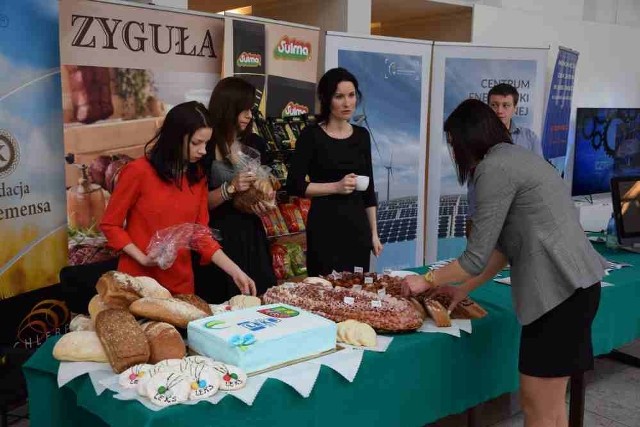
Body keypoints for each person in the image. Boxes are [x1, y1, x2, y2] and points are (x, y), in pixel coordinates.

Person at [402, 99, 606, 427]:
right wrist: (459, 291)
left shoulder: (492, 168)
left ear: (468, 138)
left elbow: (475, 257)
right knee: (552, 405)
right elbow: (501, 250)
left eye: (453, 143)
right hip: (579, 289)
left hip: (558, 296)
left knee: (536, 403)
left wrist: (426, 280)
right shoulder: (519, 158)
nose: (454, 152)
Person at [101, 101, 256, 297]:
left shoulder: (197, 176)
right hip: (137, 284)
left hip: (180, 286)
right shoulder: (138, 171)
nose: (203, 151)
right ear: (175, 138)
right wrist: (142, 258)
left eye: (206, 143)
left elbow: (201, 236)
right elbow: (110, 224)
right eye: (196, 143)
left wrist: (236, 271)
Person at [287, 67, 383, 275]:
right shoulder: (311, 135)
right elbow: (294, 185)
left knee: (355, 293)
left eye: (351, 95)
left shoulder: (362, 136)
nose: (347, 103)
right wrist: (336, 187)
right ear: (326, 99)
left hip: (357, 228)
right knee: (323, 292)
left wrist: (374, 234)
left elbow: (369, 190)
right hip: (324, 227)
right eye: (339, 96)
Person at [199, 77, 277, 303]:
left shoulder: (255, 143)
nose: (249, 116)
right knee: (223, 306)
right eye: (243, 110)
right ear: (227, 108)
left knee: (260, 300)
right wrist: (229, 188)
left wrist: (265, 201)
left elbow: (269, 185)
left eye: (250, 110)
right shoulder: (206, 145)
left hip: (252, 235)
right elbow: (196, 203)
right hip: (216, 239)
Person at [466, 83, 543, 235]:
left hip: (520, 220)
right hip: (485, 220)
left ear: (515, 108)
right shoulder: (475, 140)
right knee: (484, 259)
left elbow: (538, 180)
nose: (499, 110)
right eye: (494, 105)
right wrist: (472, 219)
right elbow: (474, 184)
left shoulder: (529, 139)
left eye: (505, 105)